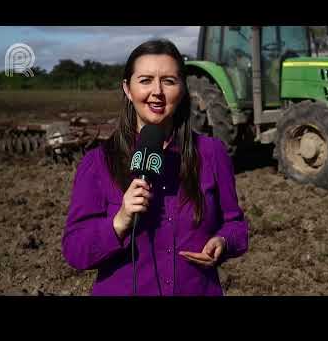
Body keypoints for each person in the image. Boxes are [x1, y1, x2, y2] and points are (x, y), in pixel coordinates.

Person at [62, 39, 248, 296]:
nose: (157, 91)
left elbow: (236, 225)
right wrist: (119, 221)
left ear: (183, 88)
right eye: (145, 80)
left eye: (169, 81)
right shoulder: (98, 162)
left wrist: (224, 242)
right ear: (127, 89)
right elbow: (75, 250)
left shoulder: (212, 154)